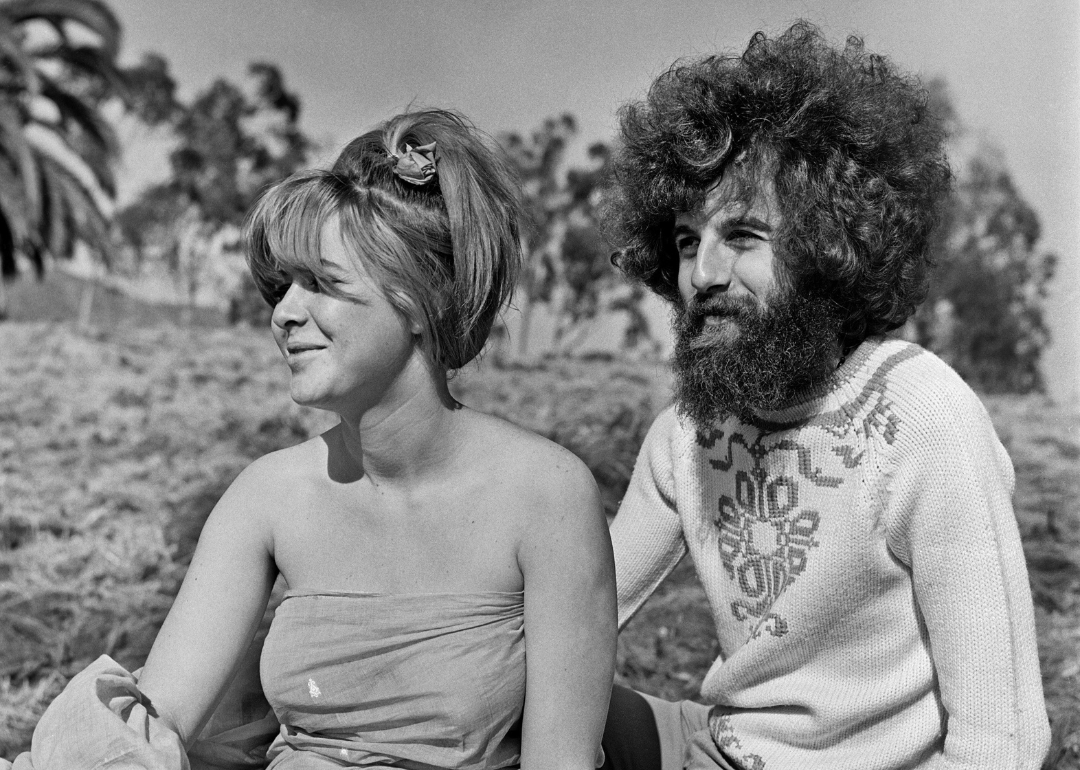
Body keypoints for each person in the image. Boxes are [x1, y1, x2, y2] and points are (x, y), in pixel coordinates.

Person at [5, 109, 617, 769]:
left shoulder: (545, 495)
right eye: (283, 286)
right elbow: (153, 725)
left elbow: (562, 761)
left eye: (322, 284)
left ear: (416, 299)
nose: (284, 312)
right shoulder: (270, 495)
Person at [599, 22, 1050, 770]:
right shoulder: (686, 430)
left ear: (827, 246)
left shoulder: (922, 415)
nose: (703, 274)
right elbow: (576, 615)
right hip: (716, 748)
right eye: (685, 241)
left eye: (743, 236)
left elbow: (1001, 744)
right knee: (513, 689)